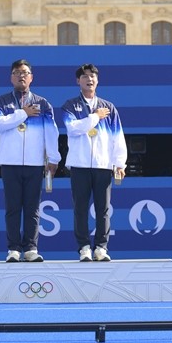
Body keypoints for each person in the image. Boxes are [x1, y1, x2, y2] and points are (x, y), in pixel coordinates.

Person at [0, 59, 60, 262]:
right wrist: (23, 113)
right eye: (17, 72)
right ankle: (13, 249)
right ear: (11, 77)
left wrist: (53, 158)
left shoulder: (43, 104)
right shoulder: (1, 102)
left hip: (35, 163)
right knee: (12, 208)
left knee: (32, 208)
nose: (21, 76)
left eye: (25, 73)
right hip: (9, 163)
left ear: (31, 77)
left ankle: (30, 248)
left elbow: (51, 133)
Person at [63, 63, 128, 262]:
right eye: (85, 76)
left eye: (92, 76)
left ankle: (101, 247)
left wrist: (119, 163)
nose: (89, 79)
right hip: (79, 165)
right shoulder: (70, 106)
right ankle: (84, 247)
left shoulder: (109, 108)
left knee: (103, 209)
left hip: (103, 165)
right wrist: (94, 117)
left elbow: (118, 137)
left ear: (97, 81)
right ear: (78, 81)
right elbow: (73, 128)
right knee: (80, 209)